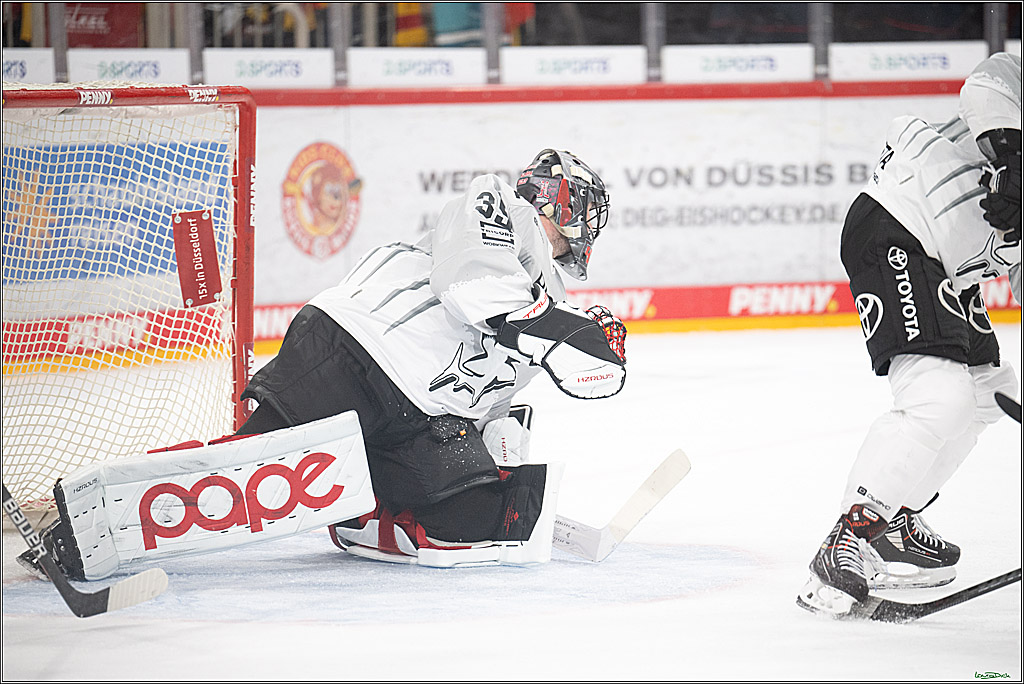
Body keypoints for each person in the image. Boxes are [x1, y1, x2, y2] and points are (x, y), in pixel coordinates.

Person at [23, 149, 625, 578]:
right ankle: (79, 519)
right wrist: (569, 334)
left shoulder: (548, 304)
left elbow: (496, 401)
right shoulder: (498, 204)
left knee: (481, 521)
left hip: (419, 416)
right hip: (356, 354)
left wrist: (501, 455)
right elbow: (473, 288)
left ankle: (360, 514)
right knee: (246, 476)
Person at [797, 52, 1022, 617]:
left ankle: (893, 522)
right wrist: (1014, 155)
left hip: (948, 265)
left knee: (986, 395)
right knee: (937, 398)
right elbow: (992, 78)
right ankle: (849, 534)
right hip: (900, 218)